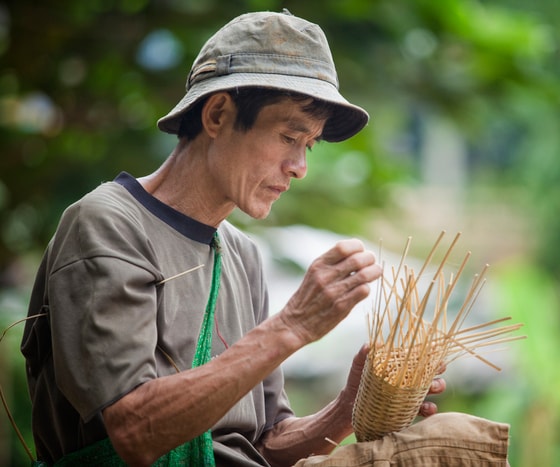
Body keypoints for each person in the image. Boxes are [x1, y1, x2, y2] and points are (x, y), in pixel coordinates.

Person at [21, 10, 511, 467]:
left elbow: (265, 444)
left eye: (309, 146)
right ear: (217, 115)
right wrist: (292, 326)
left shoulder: (241, 255)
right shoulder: (106, 224)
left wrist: (346, 407)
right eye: (287, 137)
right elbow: (133, 429)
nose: (299, 167)